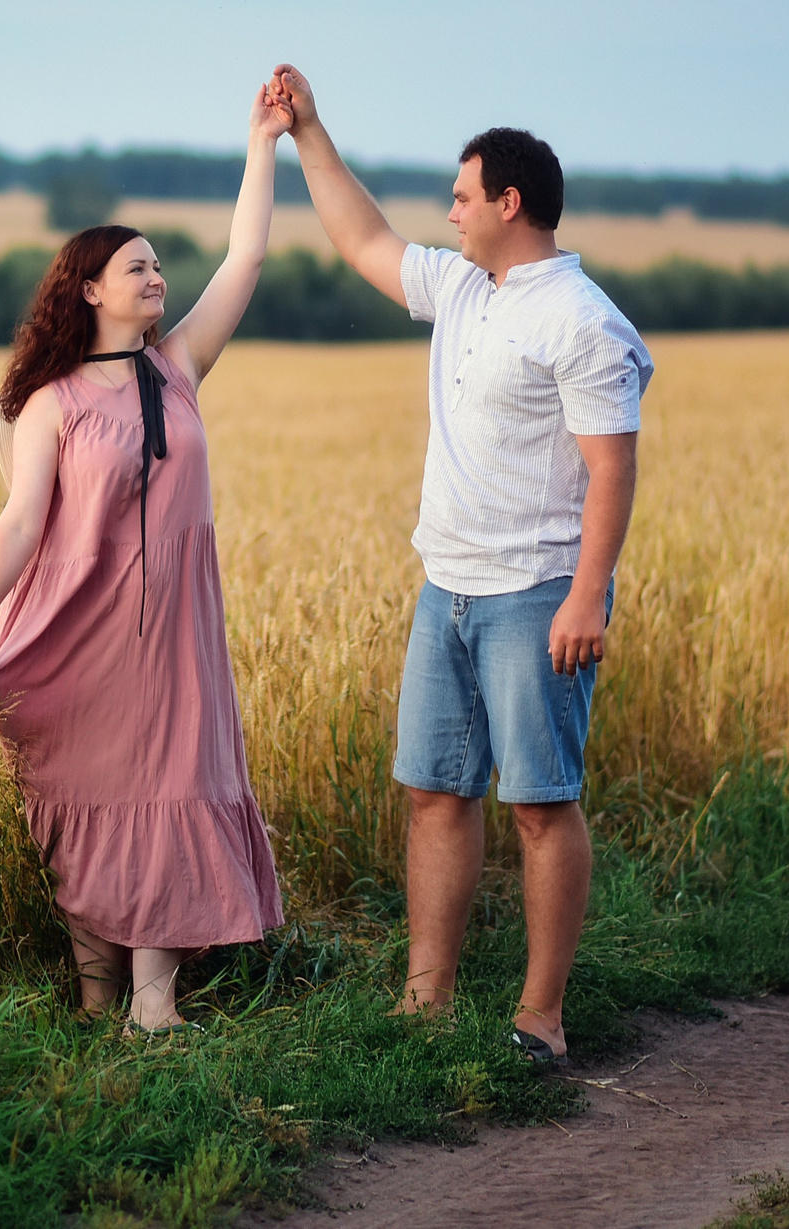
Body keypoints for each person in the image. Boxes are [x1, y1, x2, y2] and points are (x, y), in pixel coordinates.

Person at [273, 63, 650, 1070]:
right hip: (444, 585)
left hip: (535, 593)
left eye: (460, 194)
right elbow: (360, 236)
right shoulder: (459, 287)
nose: (446, 210)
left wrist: (584, 593)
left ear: (508, 203)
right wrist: (307, 129)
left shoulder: (581, 319)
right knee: (436, 791)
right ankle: (424, 998)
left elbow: (612, 469)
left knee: (538, 802)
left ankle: (541, 1015)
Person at [0, 84, 293, 1034]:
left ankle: (154, 1002)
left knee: (170, 790)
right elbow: (21, 521)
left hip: (174, 629)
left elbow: (248, 255)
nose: (157, 277)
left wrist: (263, 142)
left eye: (157, 266)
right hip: (81, 629)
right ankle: (97, 993)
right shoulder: (53, 401)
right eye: (136, 267)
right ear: (89, 288)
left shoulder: (177, 368)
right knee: (88, 798)